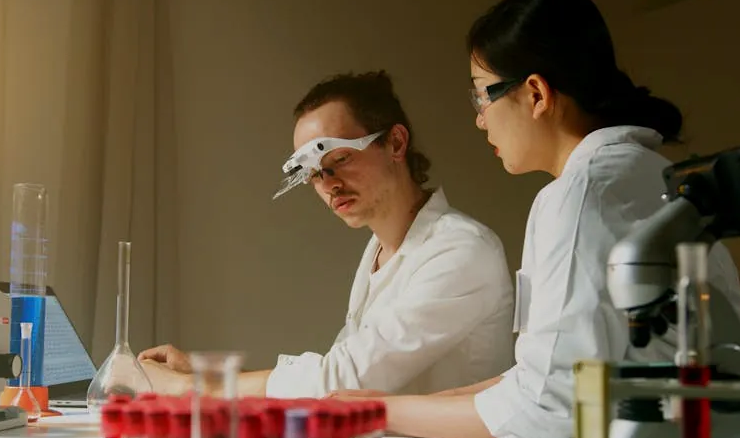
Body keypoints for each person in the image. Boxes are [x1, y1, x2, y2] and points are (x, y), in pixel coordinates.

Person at [329, 0, 740, 438]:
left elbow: (549, 406)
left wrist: (380, 410)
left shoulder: (582, 193)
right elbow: (549, 375)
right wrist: (397, 405)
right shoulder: (642, 172)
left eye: (480, 96)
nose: (480, 120)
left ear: (535, 93)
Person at [138, 70, 515, 398]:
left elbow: (343, 381)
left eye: (339, 159)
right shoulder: (378, 253)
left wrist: (191, 387)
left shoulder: (461, 250)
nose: (329, 184)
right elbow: (334, 375)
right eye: (313, 173)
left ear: (396, 143)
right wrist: (207, 376)